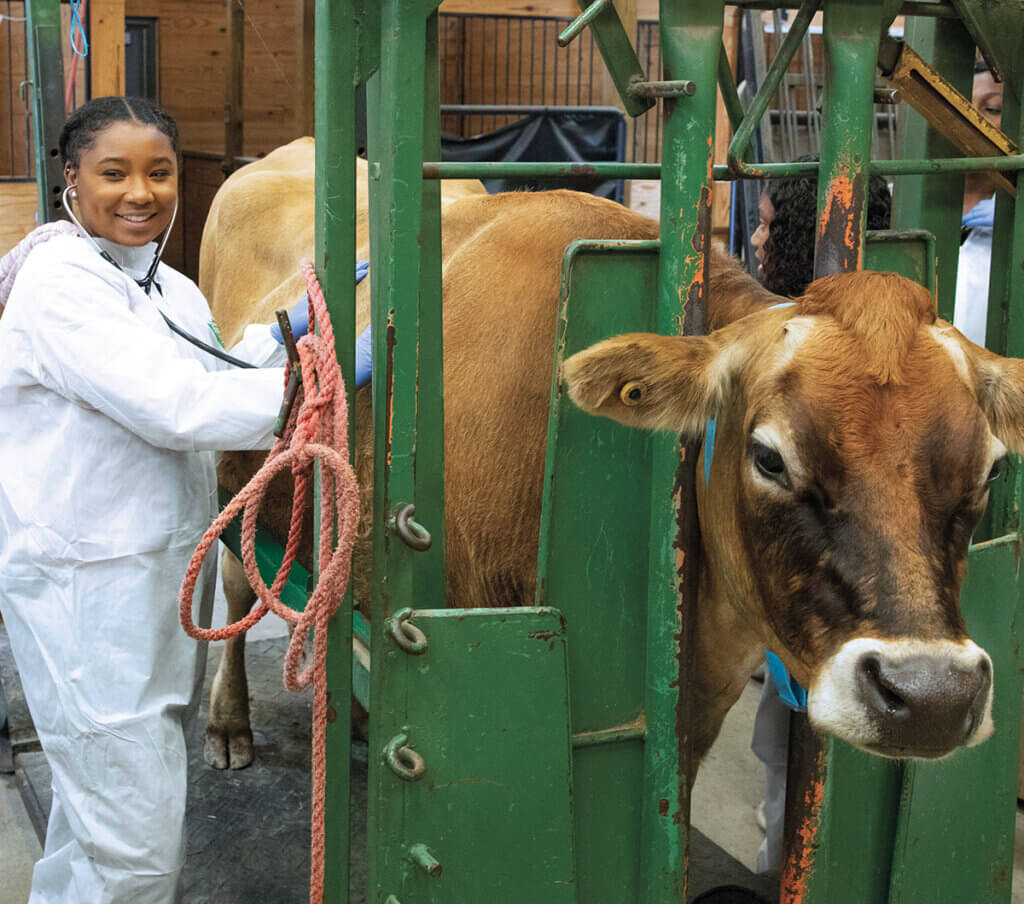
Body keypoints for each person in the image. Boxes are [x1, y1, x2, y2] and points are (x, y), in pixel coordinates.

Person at [0, 96, 289, 903]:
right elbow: (178, 409)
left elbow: (210, 373)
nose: (142, 192)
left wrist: (289, 328)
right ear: (71, 179)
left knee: (98, 809)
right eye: (114, 173)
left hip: (145, 586)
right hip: (87, 593)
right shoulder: (62, 284)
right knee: (137, 848)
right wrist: (320, 383)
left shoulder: (164, 286)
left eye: (159, 173)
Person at [745, 162, 891, 875]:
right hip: (831, 628)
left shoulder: (793, 355)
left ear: (803, 239)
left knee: (797, 749)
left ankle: (788, 868)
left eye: (768, 223)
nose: (754, 236)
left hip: (827, 620)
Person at [953, 60, 1004, 347]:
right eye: (961, 109)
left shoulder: (1012, 218)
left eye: (992, 109)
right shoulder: (895, 199)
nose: (972, 122)